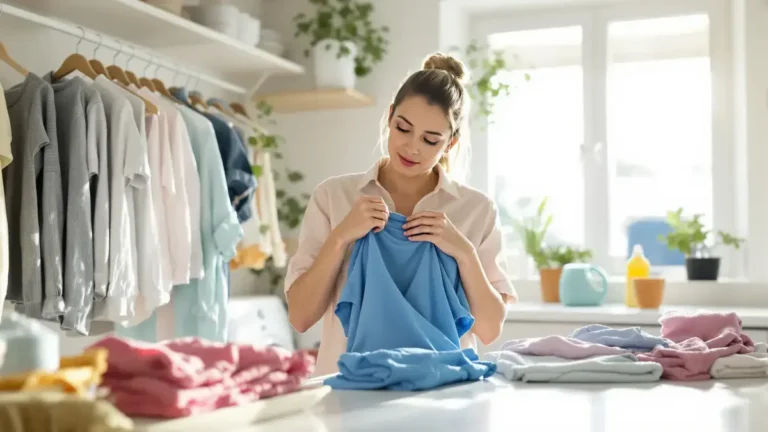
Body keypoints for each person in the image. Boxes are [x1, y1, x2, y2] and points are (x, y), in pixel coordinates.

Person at [284, 53, 517, 376]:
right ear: (390, 116)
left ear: (450, 143)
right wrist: (341, 237)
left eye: (430, 139)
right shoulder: (333, 197)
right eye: (403, 128)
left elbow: (490, 330)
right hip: (348, 398)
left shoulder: (476, 210)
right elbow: (300, 316)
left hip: (446, 396)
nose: (412, 147)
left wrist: (463, 252)